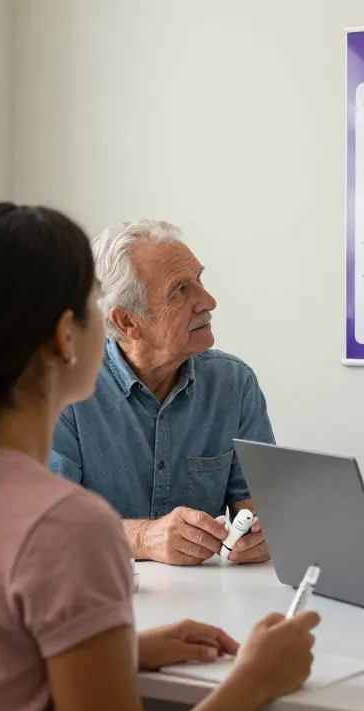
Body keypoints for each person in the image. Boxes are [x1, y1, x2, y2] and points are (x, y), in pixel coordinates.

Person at [0, 203, 318, 711]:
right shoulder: (69, 526)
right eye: (94, 310)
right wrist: (255, 679)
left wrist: (120, 649)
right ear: (65, 336)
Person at [50, 220, 273, 566]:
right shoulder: (66, 391)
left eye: (199, 279)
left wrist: (262, 532)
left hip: (211, 600)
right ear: (127, 322)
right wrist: (140, 538)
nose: (209, 301)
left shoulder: (235, 384)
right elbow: (48, 525)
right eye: (180, 291)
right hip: (97, 598)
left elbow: (258, 503)